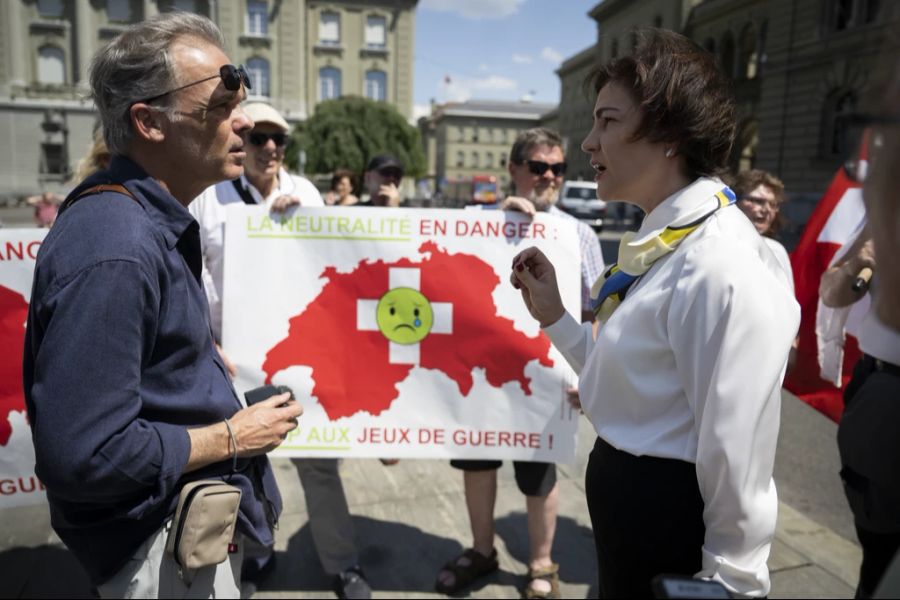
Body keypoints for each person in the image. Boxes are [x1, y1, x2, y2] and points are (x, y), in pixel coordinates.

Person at [508, 29, 799, 598]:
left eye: (608, 121)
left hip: (669, 534)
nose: (589, 142)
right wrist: (557, 318)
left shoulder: (720, 264)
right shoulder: (668, 238)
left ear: (669, 133)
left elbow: (739, 457)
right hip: (632, 527)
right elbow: (634, 386)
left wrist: (728, 585)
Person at [22, 13, 302, 598]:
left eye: (240, 104)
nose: (245, 123)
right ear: (148, 122)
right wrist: (233, 437)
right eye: (220, 108)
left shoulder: (139, 221)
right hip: (157, 551)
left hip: (183, 533)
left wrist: (195, 357)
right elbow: (86, 454)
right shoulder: (115, 245)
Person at [190, 103, 372, 600]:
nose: (269, 148)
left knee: (318, 461)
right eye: (259, 137)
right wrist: (207, 343)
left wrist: (307, 221)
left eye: (279, 139)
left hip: (297, 356)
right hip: (230, 358)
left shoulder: (305, 191)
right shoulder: (207, 196)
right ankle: (255, 557)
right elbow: (190, 275)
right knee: (238, 467)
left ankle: (342, 563)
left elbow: (328, 267)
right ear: (240, 138)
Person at [436, 127, 605, 599]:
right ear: (514, 170)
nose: (548, 176)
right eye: (538, 167)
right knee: (477, 464)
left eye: (557, 168)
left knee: (540, 471)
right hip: (481, 374)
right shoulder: (478, 219)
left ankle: (541, 563)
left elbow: (591, 310)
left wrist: (585, 373)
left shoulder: (580, 233)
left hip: (544, 374)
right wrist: (496, 220)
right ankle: (482, 549)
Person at [731, 169, 799, 372]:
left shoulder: (776, 251)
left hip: (761, 355)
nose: (767, 209)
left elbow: (789, 305)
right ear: (735, 201)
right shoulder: (716, 242)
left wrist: (791, 342)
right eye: (758, 201)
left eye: (773, 204)